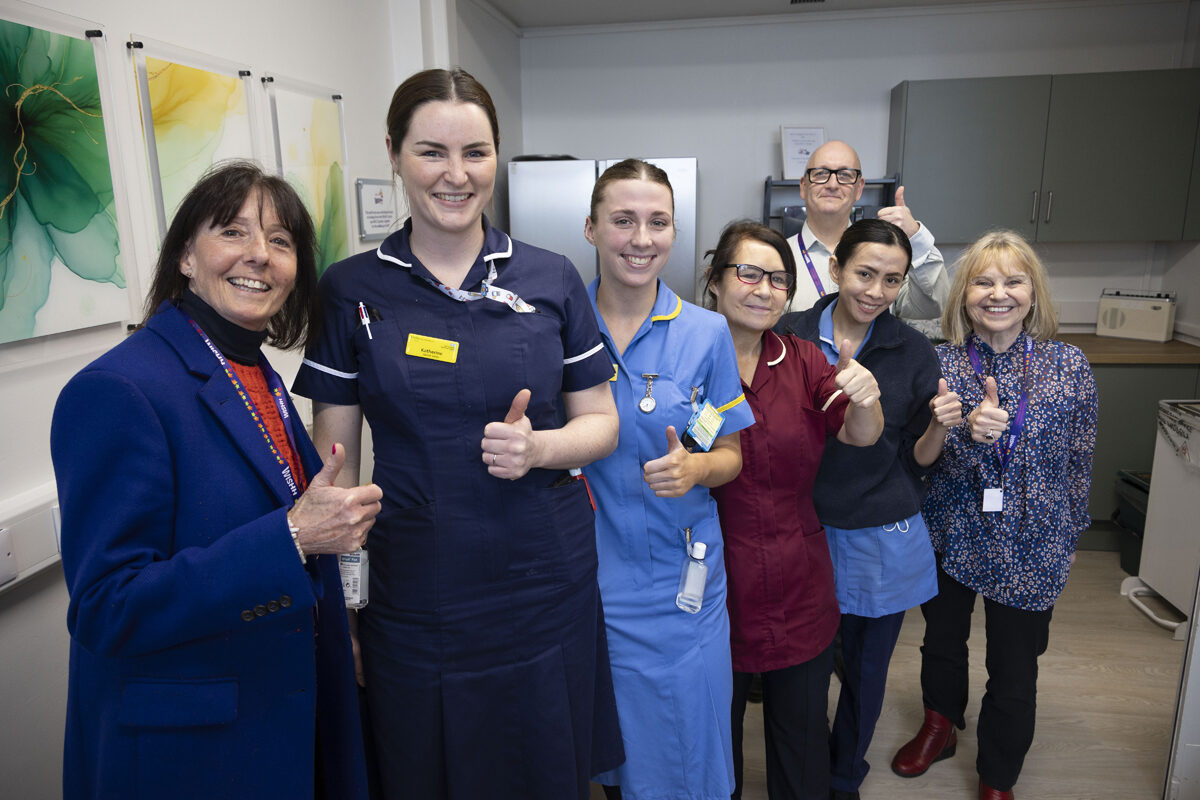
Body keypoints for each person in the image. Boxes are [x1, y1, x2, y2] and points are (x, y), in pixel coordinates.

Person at [291, 68, 623, 800]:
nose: (455, 174)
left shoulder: (551, 277)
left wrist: (540, 447)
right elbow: (333, 470)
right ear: (395, 153)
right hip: (417, 588)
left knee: (543, 763)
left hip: (543, 577)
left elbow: (602, 422)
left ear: (497, 156)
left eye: (475, 152)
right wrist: (338, 601)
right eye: (431, 152)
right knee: (422, 766)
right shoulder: (350, 290)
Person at [50, 161, 382, 799]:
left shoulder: (257, 374)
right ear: (184, 256)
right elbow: (107, 607)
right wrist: (290, 538)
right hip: (194, 754)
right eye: (233, 232)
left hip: (280, 717)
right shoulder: (118, 390)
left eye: (281, 242)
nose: (260, 255)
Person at [889, 230, 1098, 800]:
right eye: (983, 281)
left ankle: (997, 773)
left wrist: (1071, 533)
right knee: (942, 640)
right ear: (963, 294)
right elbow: (918, 458)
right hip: (953, 529)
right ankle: (940, 725)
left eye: (1013, 280)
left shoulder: (1069, 364)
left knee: (1015, 663)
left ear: (1033, 292)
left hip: (1034, 538)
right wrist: (958, 429)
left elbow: (1080, 455)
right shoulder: (937, 362)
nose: (997, 293)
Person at [582, 160, 755, 800]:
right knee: (617, 744)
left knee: (689, 744)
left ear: (675, 233)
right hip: (593, 575)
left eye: (658, 222)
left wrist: (693, 467)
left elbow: (727, 451)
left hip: (685, 577)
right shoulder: (560, 330)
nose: (640, 238)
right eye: (623, 220)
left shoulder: (705, 335)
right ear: (592, 228)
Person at [776, 218, 963, 800]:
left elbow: (920, 457)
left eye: (891, 280)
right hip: (800, 524)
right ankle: (804, 772)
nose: (875, 291)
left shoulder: (911, 351)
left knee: (864, 669)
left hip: (880, 529)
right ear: (835, 270)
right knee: (799, 669)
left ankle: (842, 774)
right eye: (864, 273)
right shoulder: (787, 335)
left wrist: (937, 425)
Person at [702, 219, 885, 800]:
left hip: (796, 579)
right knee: (712, 743)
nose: (764, 289)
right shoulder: (684, 357)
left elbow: (860, 434)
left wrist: (866, 397)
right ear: (715, 280)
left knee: (801, 742)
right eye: (749, 273)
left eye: (779, 279)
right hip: (709, 583)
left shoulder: (804, 359)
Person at [784, 140, 948, 323]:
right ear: (803, 186)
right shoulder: (779, 256)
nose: (832, 184)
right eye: (821, 173)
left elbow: (931, 307)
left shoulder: (888, 254)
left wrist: (915, 236)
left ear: (859, 188)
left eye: (845, 175)